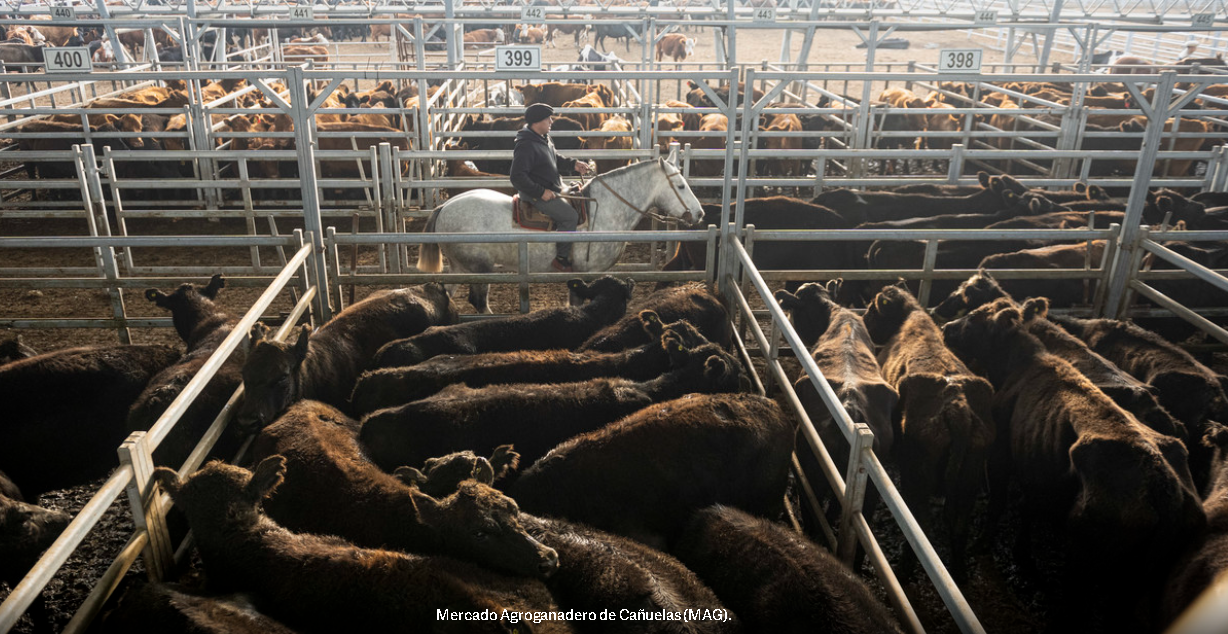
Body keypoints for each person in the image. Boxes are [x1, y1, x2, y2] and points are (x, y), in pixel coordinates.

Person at [510, 102, 592, 273]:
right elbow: (517, 176)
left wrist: (574, 164)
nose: (551, 122)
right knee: (570, 216)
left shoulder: (542, 137)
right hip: (535, 194)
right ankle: (561, 259)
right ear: (537, 122)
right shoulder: (526, 145)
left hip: (552, 186)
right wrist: (540, 192)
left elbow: (555, 158)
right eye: (548, 119)